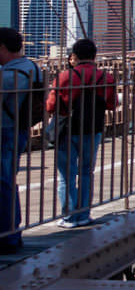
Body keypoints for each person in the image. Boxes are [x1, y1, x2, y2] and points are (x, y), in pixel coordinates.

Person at [46, 38, 118, 228]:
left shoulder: (63, 77)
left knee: (66, 175)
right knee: (86, 172)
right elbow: (112, 104)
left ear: (75, 56)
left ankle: (70, 217)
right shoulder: (106, 78)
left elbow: (51, 106)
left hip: (67, 130)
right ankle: (84, 214)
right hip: (92, 129)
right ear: (95, 56)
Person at [0, 28, 41, 251]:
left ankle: (8, 236)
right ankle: (12, 232)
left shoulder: (9, 75)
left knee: (3, 184)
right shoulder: (33, 67)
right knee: (7, 182)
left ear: (3, 48)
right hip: (20, 129)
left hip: (5, 130)